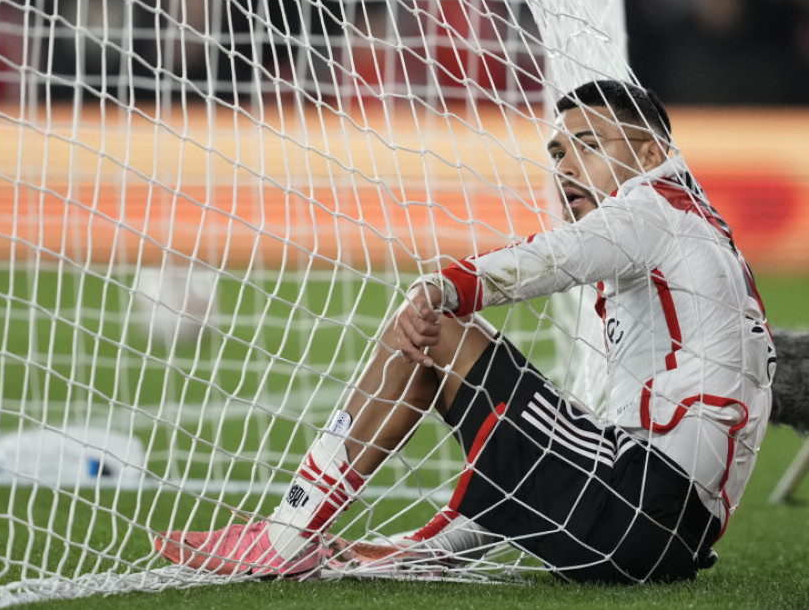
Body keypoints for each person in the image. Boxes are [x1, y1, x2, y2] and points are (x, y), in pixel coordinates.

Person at [154, 80, 775, 584]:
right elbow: (560, 458)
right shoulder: (700, 235)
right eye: (557, 153)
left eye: (588, 144)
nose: (566, 167)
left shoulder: (651, 208)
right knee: (532, 418)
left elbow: (554, 257)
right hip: (664, 529)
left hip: (642, 508)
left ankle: (288, 532)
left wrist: (444, 286)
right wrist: (431, 546)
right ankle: (412, 544)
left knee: (437, 328)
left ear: (646, 155)